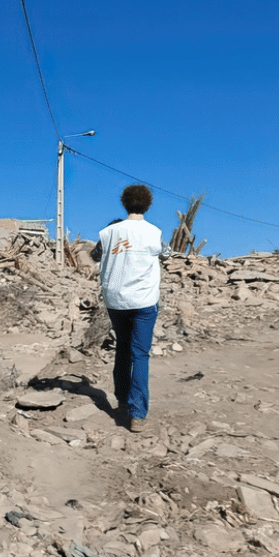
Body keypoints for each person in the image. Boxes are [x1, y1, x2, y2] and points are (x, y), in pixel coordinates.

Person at [97, 185, 169, 433]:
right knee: (140, 354)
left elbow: (96, 256)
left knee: (123, 349)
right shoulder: (154, 233)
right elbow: (166, 254)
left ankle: (122, 400)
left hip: (115, 300)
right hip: (144, 301)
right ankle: (137, 414)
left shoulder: (108, 232)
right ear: (148, 204)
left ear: (124, 203)